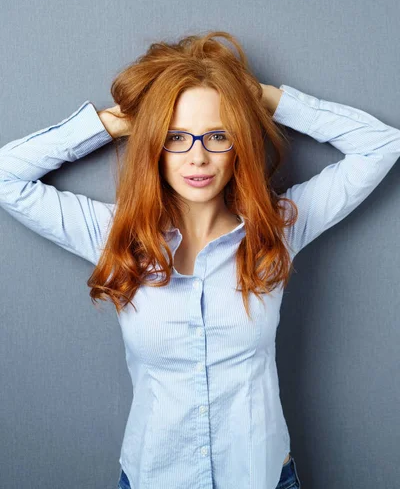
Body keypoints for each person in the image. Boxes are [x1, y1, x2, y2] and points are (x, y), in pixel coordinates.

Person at [0, 31, 399, 489]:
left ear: (238, 145)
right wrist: (118, 122)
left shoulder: (278, 231)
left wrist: (265, 100)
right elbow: (6, 176)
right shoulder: (117, 237)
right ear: (155, 145)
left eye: (217, 135)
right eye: (176, 137)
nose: (199, 157)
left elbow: (381, 145)